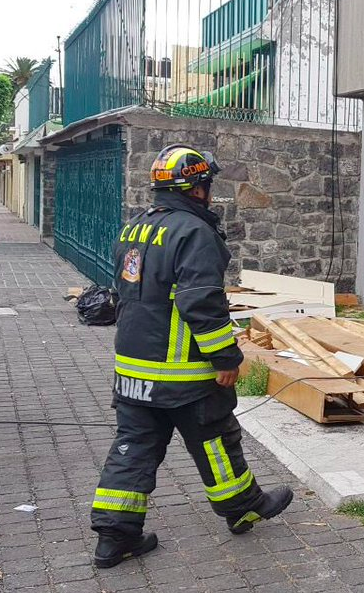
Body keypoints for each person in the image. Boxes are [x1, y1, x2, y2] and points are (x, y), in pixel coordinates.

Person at [90, 144, 293, 568]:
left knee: (133, 446)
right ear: (197, 188)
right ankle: (242, 507)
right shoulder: (194, 232)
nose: (209, 192)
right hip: (183, 373)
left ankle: (114, 538)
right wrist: (225, 359)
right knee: (216, 439)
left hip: (132, 369)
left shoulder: (134, 229)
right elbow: (201, 303)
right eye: (207, 184)